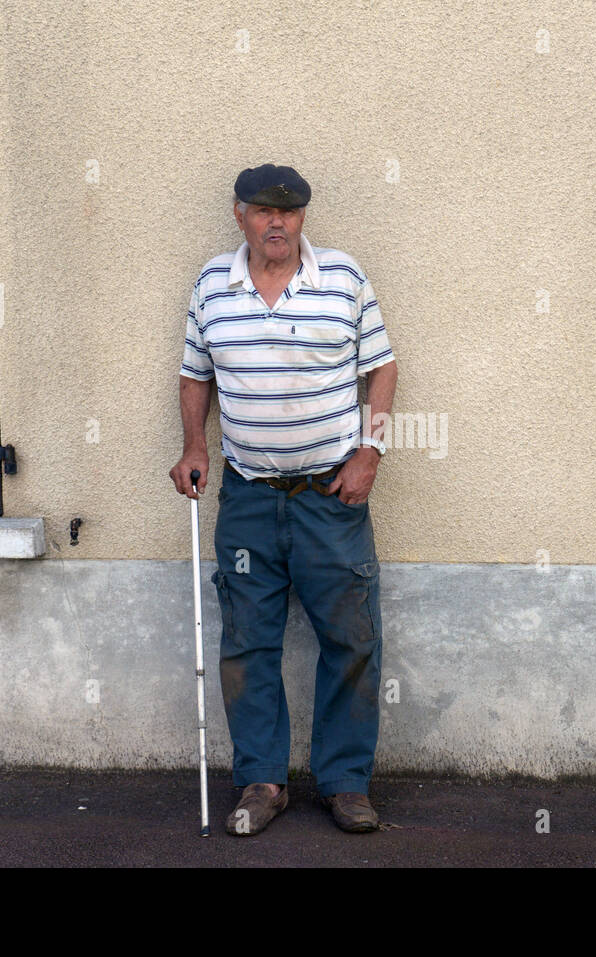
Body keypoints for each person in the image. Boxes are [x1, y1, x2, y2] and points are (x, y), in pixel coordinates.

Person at [170, 163, 398, 835]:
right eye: (264, 211)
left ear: (303, 217)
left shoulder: (344, 280)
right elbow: (193, 373)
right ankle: (262, 782)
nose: (278, 222)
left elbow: (382, 367)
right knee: (248, 641)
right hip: (247, 496)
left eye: (290, 211)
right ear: (239, 213)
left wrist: (370, 452)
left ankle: (346, 782)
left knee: (352, 637)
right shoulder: (213, 284)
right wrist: (194, 447)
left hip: (332, 495)